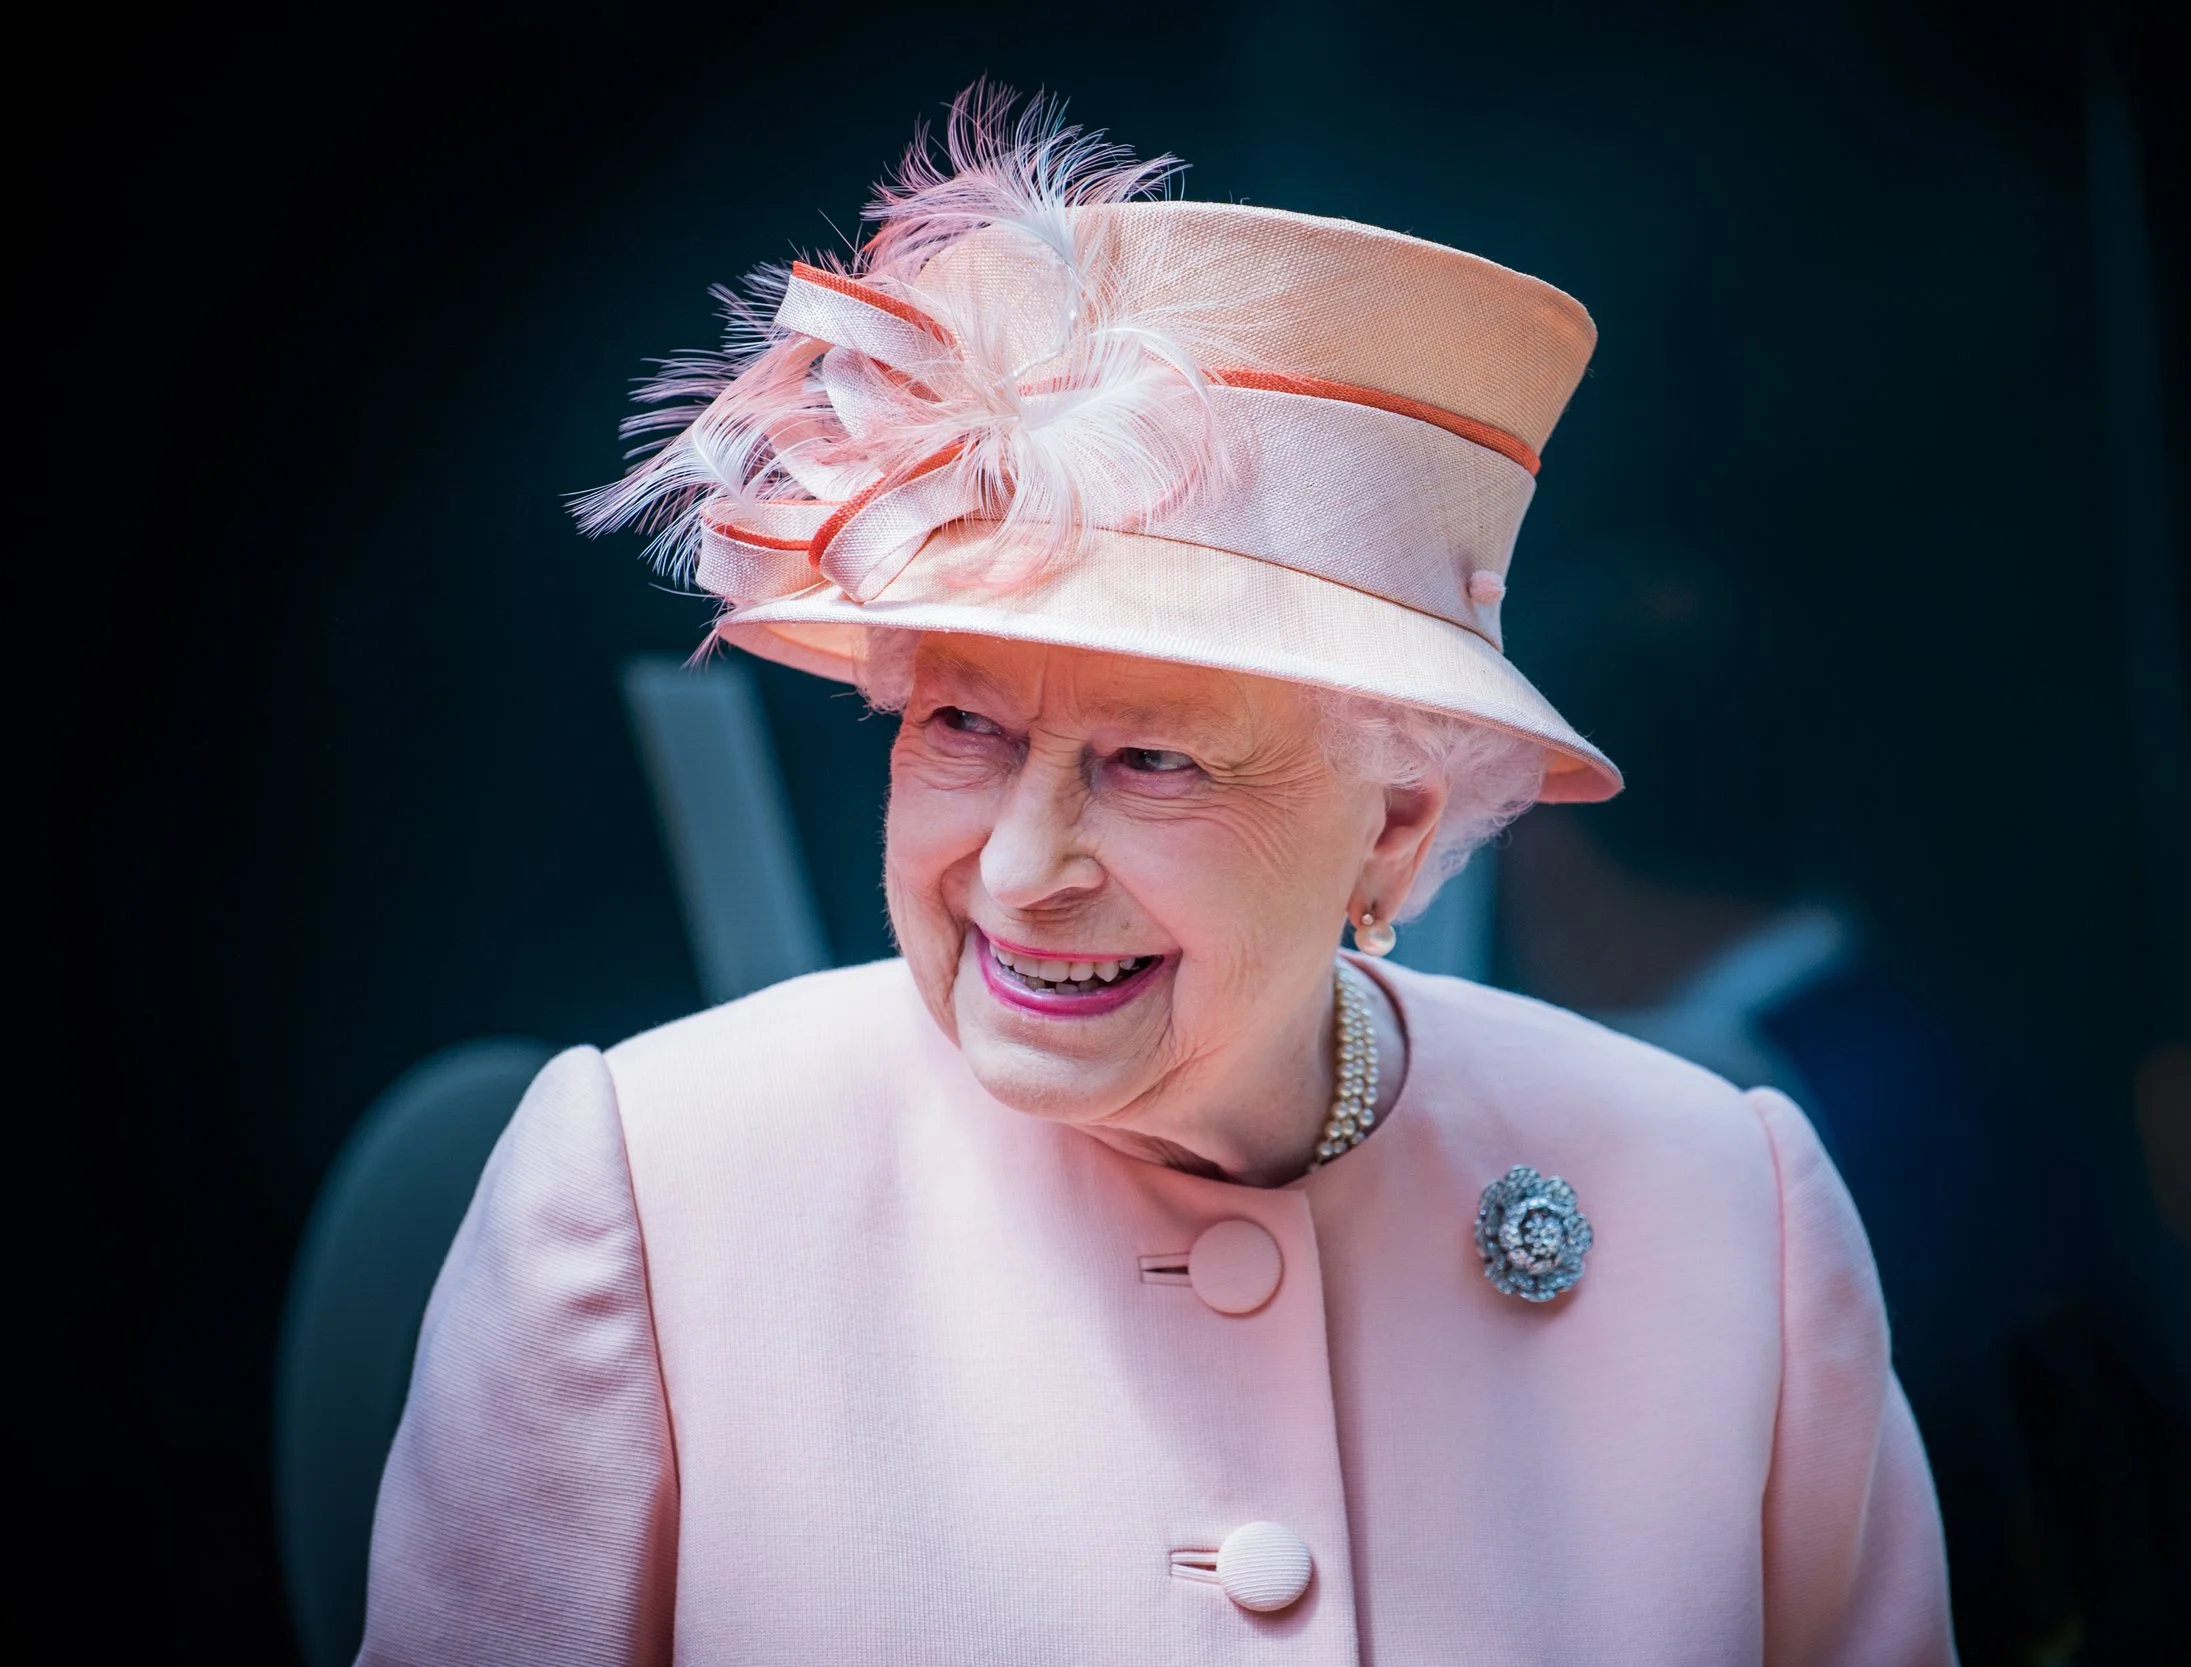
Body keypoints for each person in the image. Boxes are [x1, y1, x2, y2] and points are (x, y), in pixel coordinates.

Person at [357, 91, 1956, 1665]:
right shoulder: (649, 1186)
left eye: (1152, 761)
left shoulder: (1724, 1207)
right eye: (964, 725)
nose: (1023, 867)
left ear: (1394, 828)